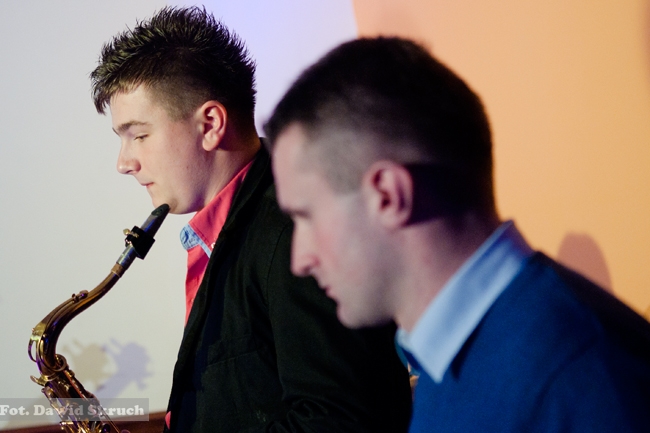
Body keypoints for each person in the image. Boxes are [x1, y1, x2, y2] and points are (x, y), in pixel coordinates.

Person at [264, 36, 650, 432]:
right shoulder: (450, 358)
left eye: (306, 216)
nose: (299, 261)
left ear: (388, 196)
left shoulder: (582, 376)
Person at [90, 7, 412, 433]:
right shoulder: (238, 226)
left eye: (140, 135)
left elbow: (340, 418)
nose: (124, 162)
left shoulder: (295, 231)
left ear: (210, 124)